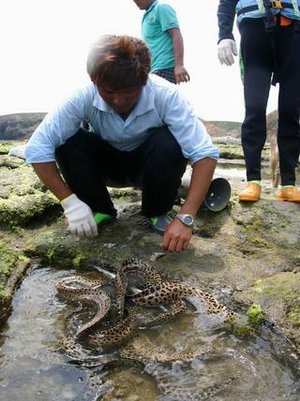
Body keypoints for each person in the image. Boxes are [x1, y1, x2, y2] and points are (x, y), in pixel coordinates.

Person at [25, 34, 218, 252]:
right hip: (106, 167)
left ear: (144, 80)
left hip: (149, 169)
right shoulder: (81, 97)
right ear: (95, 81)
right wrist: (69, 202)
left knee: (169, 140)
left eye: (128, 92)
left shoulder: (166, 95)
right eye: (108, 91)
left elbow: (205, 153)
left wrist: (186, 217)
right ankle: (99, 210)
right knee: (67, 141)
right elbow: (37, 148)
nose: (118, 101)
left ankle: (157, 211)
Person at [217, 0, 300, 203]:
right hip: (255, 30)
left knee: (291, 108)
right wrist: (224, 35)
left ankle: (288, 184)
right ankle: (253, 181)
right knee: (254, 107)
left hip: (294, 32)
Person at [133, 0, 190, 84]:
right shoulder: (146, 16)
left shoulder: (161, 8)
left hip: (165, 67)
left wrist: (179, 65)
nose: (135, 1)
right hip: (153, 69)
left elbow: (176, 35)